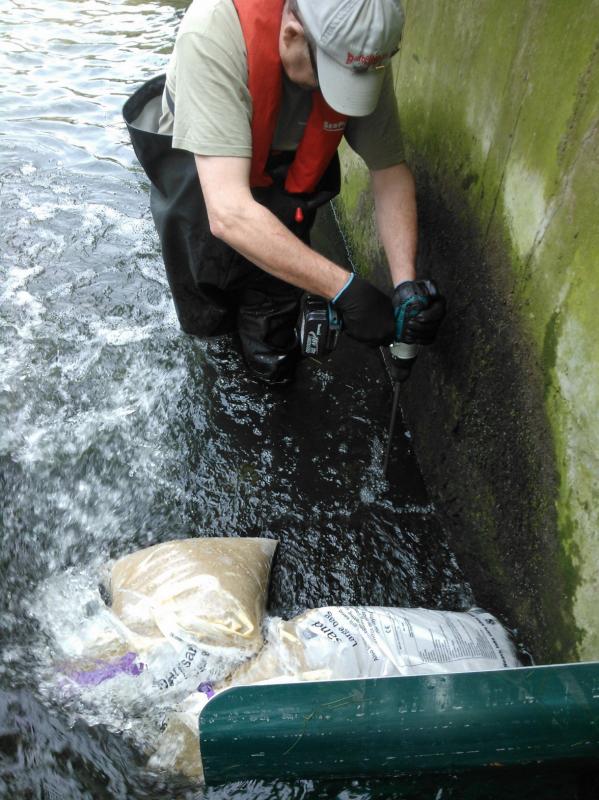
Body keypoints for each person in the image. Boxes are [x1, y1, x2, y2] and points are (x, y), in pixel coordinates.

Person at [123, 0, 445, 385]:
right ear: (293, 33)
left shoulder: (360, 41)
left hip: (283, 171)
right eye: (330, 78)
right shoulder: (211, 32)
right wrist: (344, 289)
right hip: (202, 165)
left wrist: (405, 288)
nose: (339, 95)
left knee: (273, 337)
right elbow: (227, 211)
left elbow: (389, 170)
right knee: (209, 324)